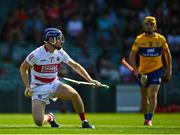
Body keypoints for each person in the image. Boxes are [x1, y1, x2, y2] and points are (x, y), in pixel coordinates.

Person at [19, 27, 102, 129]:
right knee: (39, 122)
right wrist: (27, 86)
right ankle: (50, 117)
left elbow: (75, 66)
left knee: (75, 95)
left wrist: (90, 80)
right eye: (58, 38)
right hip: (38, 87)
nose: (61, 41)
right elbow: (23, 68)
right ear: (50, 40)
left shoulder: (61, 52)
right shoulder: (36, 54)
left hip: (54, 84)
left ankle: (84, 121)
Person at [129, 16, 172, 126]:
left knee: (153, 94)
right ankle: (146, 117)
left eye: (151, 24)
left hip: (157, 70)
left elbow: (167, 54)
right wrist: (135, 69)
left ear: (155, 26)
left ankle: (149, 119)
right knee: (144, 96)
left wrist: (169, 68)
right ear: (144, 25)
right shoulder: (139, 39)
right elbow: (132, 55)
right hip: (143, 71)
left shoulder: (161, 39)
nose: (149, 26)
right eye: (147, 24)